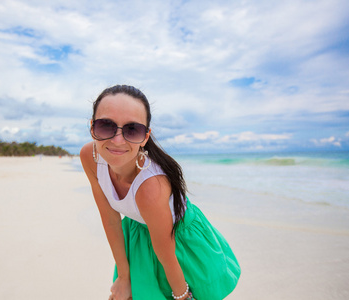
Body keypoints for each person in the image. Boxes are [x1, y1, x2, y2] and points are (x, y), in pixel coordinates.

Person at [80, 85, 240, 300]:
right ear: (92, 127)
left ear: (145, 137)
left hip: (179, 240)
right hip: (139, 231)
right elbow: (109, 218)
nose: (117, 140)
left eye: (132, 130)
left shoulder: (150, 186)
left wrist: (182, 295)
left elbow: (166, 250)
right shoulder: (89, 156)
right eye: (105, 126)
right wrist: (124, 277)